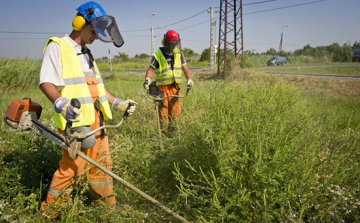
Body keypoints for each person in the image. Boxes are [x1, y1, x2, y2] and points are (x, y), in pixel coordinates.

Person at [39, 1, 136, 212]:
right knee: (72, 168)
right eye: (93, 31)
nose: (95, 37)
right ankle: (50, 212)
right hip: (76, 121)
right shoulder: (58, 46)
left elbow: (98, 87)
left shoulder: (87, 53)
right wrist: (59, 102)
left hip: (97, 120)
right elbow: (46, 81)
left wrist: (118, 102)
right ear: (79, 22)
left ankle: (106, 207)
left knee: (102, 165)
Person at [143, 30, 194, 134]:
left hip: (174, 89)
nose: (173, 46)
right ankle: (164, 135)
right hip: (161, 90)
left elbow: (185, 69)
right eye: (171, 44)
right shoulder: (158, 55)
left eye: (175, 44)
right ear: (166, 43)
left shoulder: (179, 54)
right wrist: (148, 79)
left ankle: (173, 134)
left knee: (176, 113)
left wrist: (189, 80)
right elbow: (150, 69)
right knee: (163, 114)